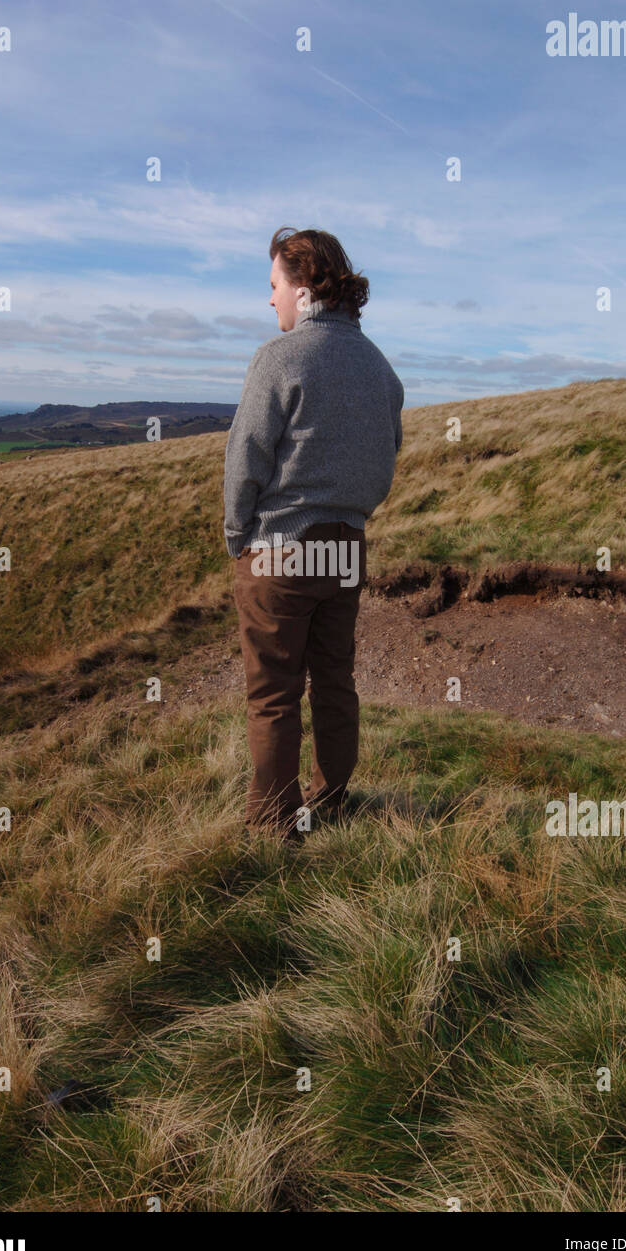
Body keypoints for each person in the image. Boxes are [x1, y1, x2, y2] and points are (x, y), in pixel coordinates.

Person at [223, 226, 404, 843]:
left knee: (273, 691)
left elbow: (246, 455)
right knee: (334, 679)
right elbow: (387, 458)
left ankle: (273, 827)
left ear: (302, 287)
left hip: (280, 548)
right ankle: (329, 801)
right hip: (346, 547)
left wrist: (236, 533)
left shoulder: (280, 358)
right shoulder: (379, 367)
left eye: (273, 285)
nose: (269, 298)